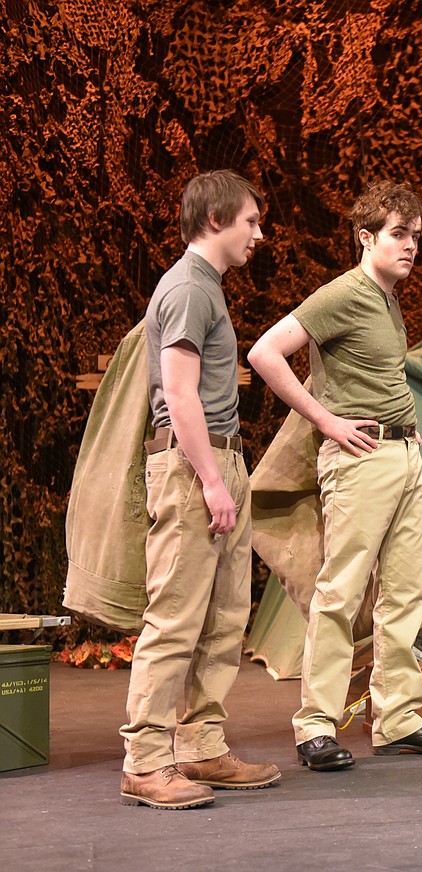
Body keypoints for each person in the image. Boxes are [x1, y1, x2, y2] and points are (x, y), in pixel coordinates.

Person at [248, 181, 422, 771]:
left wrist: (411, 439)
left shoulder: (389, 300)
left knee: (405, 593)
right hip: (360, 460)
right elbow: (265, 353)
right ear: (365, 238)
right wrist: (326, 420)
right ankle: (315, 725)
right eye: (398, 234)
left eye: (415, 235)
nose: (411, 245)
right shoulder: (342, 293)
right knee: (340, 593)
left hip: (402, 456)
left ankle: (395, 719)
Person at [120, 170, 280, 810]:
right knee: (176, 619)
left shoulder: (206, 288)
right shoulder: (188, 288)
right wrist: (211, 480)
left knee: (224, 617)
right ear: (216, 220)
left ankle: (200, 746)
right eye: (250, 222)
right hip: (194, 468)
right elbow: (178, 394)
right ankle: (145, 761)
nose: (258, 235)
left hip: (220, 463)